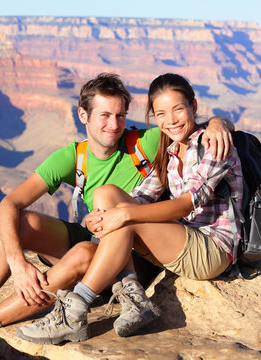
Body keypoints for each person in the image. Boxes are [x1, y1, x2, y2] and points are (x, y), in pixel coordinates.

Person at [0, 73, 233, 336]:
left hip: (132, 253)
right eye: (104, 116)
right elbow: (9, 204)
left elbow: (189, 125)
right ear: (82, 115)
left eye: (119, 115)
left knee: (83, 253)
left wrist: (218, 121)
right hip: (96, 233)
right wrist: (18, 264)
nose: (113, 125)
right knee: (21, 224)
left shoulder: (146, 141)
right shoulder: (72, 157)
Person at [16, 73, 243, 345]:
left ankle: (75, 308)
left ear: (193, 107)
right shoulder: (170, 151)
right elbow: (139, 197)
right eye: (161, 113)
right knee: (105, 194)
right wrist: (98, 219)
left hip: (213, 249)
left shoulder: (213, 145)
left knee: (125, 218)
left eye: (178, 109)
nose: (171, 120)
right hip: (182, 239)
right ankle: (133, 297)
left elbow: (187, 202)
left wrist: (123, 215)